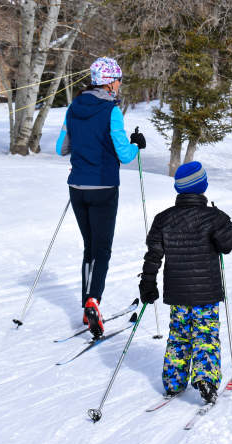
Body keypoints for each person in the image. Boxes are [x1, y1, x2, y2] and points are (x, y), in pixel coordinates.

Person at [56, 57, 147, 338]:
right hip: (104, 187)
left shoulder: (73, 107)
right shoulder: (112, 111)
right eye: (118, 79)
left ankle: (87, 305)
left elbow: (61, 147)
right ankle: (93, 300)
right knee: (103, 250)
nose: (119, 84)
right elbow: (124, 155)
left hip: (77, 187)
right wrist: (136, 145)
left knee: (89, 247)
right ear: (108, 82)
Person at [139, 161, 232, 404]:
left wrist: (148, 283)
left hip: (178, 293)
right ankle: (205, 378)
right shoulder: (214, 217)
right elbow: (228, 245)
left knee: (180, 336)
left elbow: (153, 255)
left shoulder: (163, 219)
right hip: (207, 293)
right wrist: (222, 223)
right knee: (205, 335)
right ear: (203, 185)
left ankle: (173, 382)